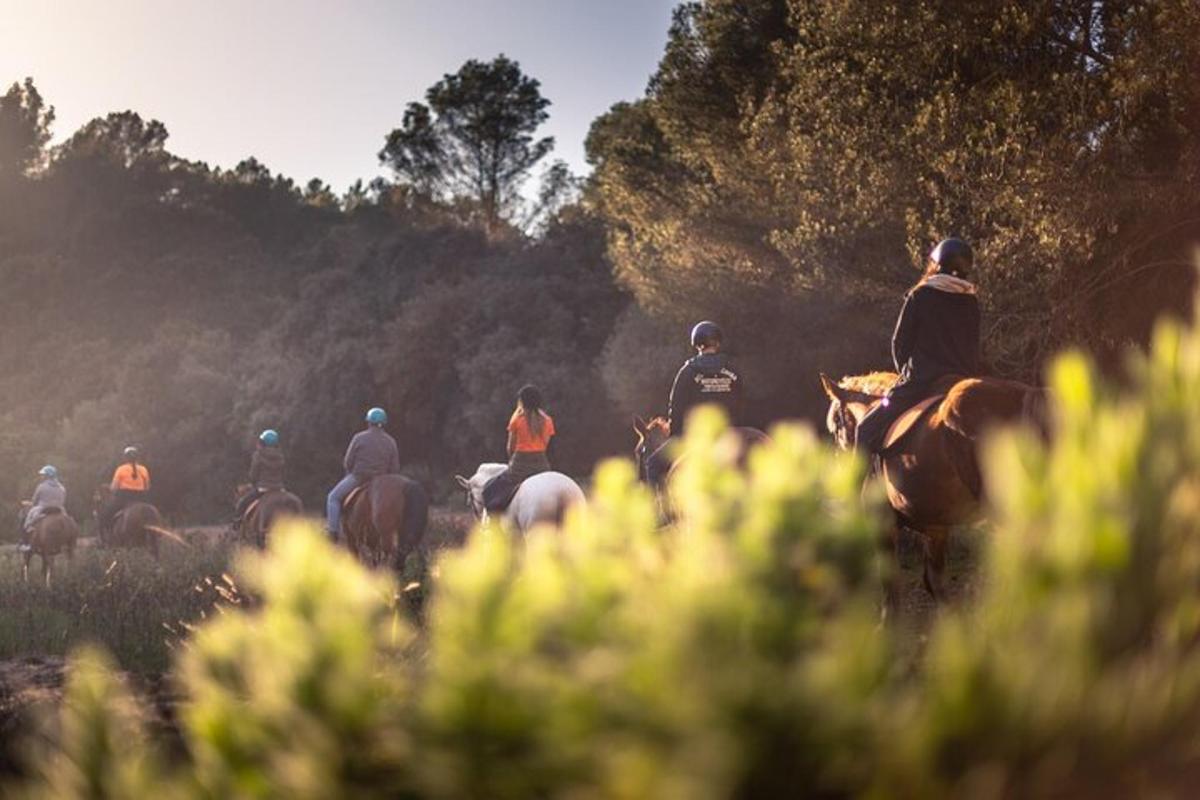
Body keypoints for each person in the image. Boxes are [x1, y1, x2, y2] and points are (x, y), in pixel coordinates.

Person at [855, 237, 982, 454]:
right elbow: (974, 347)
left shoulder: (920, 295)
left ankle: (859, 488)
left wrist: (906, 373)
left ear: (937, 264)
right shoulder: (971, 302)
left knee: (865, 430)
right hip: (961, 382)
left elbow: (900, 343)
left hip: (922, 381)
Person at [646, 321, 745, 484]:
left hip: (698, 437)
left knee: (653, 465)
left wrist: (676, 434)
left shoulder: (688, 371)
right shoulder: (733, 369)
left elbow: (676, 407)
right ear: (718, 342)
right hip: (731, 433)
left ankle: (659, 509)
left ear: (697, 344)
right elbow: (741, 403)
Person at [326, 407, 400, 540]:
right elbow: (395, 468)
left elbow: (348, 462)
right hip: (381, 481)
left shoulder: (358, 438)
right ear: (384, 423)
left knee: (333, 497)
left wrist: (350, 471)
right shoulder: (391, 441)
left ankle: (333, 532)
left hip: (359, 478)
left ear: (368, 422)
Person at [482, 385, 556, 512]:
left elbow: (510, 447)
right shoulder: (547, 421)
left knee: (489, 489)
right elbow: (545, 444)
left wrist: (512, 461)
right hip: (542, 465)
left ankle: (496, 526)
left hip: (519, 466)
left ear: (521, 401)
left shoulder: (516, 419)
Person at [234, 429, 286, 526]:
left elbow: (253, 475)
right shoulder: (280, 456)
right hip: (280, 489)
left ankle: (237, 525)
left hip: (263, 489)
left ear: (262, 442)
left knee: (242, 503)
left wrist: (253, 483)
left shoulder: (258, 455)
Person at [99, 446, 151, 537]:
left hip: (125, 497)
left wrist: (109, 488)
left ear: (125, 458)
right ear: (137, 457)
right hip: (141, 497)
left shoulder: (121, 469)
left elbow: (114, 487)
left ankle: (106, 537)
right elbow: (147, 487)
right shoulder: (143, 469)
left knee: (106, 514)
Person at [20, 465, 66, 551]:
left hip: (43, 508)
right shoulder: (61, 487)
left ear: (46, 476)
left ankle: (26, 542)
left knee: (28, 520)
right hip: (59, 509)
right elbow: (63, 500)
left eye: (43, 475)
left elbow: (34, 502)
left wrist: (27, 503)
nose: (41, 476)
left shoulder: (41, 486)